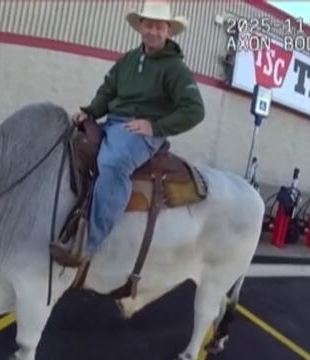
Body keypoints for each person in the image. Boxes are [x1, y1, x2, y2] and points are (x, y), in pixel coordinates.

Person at [50, 0, 205, 267]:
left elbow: (195, 110)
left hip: (141, 130)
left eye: (159, 27)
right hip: (113, 122)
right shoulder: (128, 60)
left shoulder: (176, 69)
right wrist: (90, 111)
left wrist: (155, 127)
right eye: (148, 25)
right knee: (68, 146)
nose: (153, 31)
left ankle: (87, 245)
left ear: (169, 31)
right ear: (140, 27)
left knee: (113, 163)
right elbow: (107, 91)